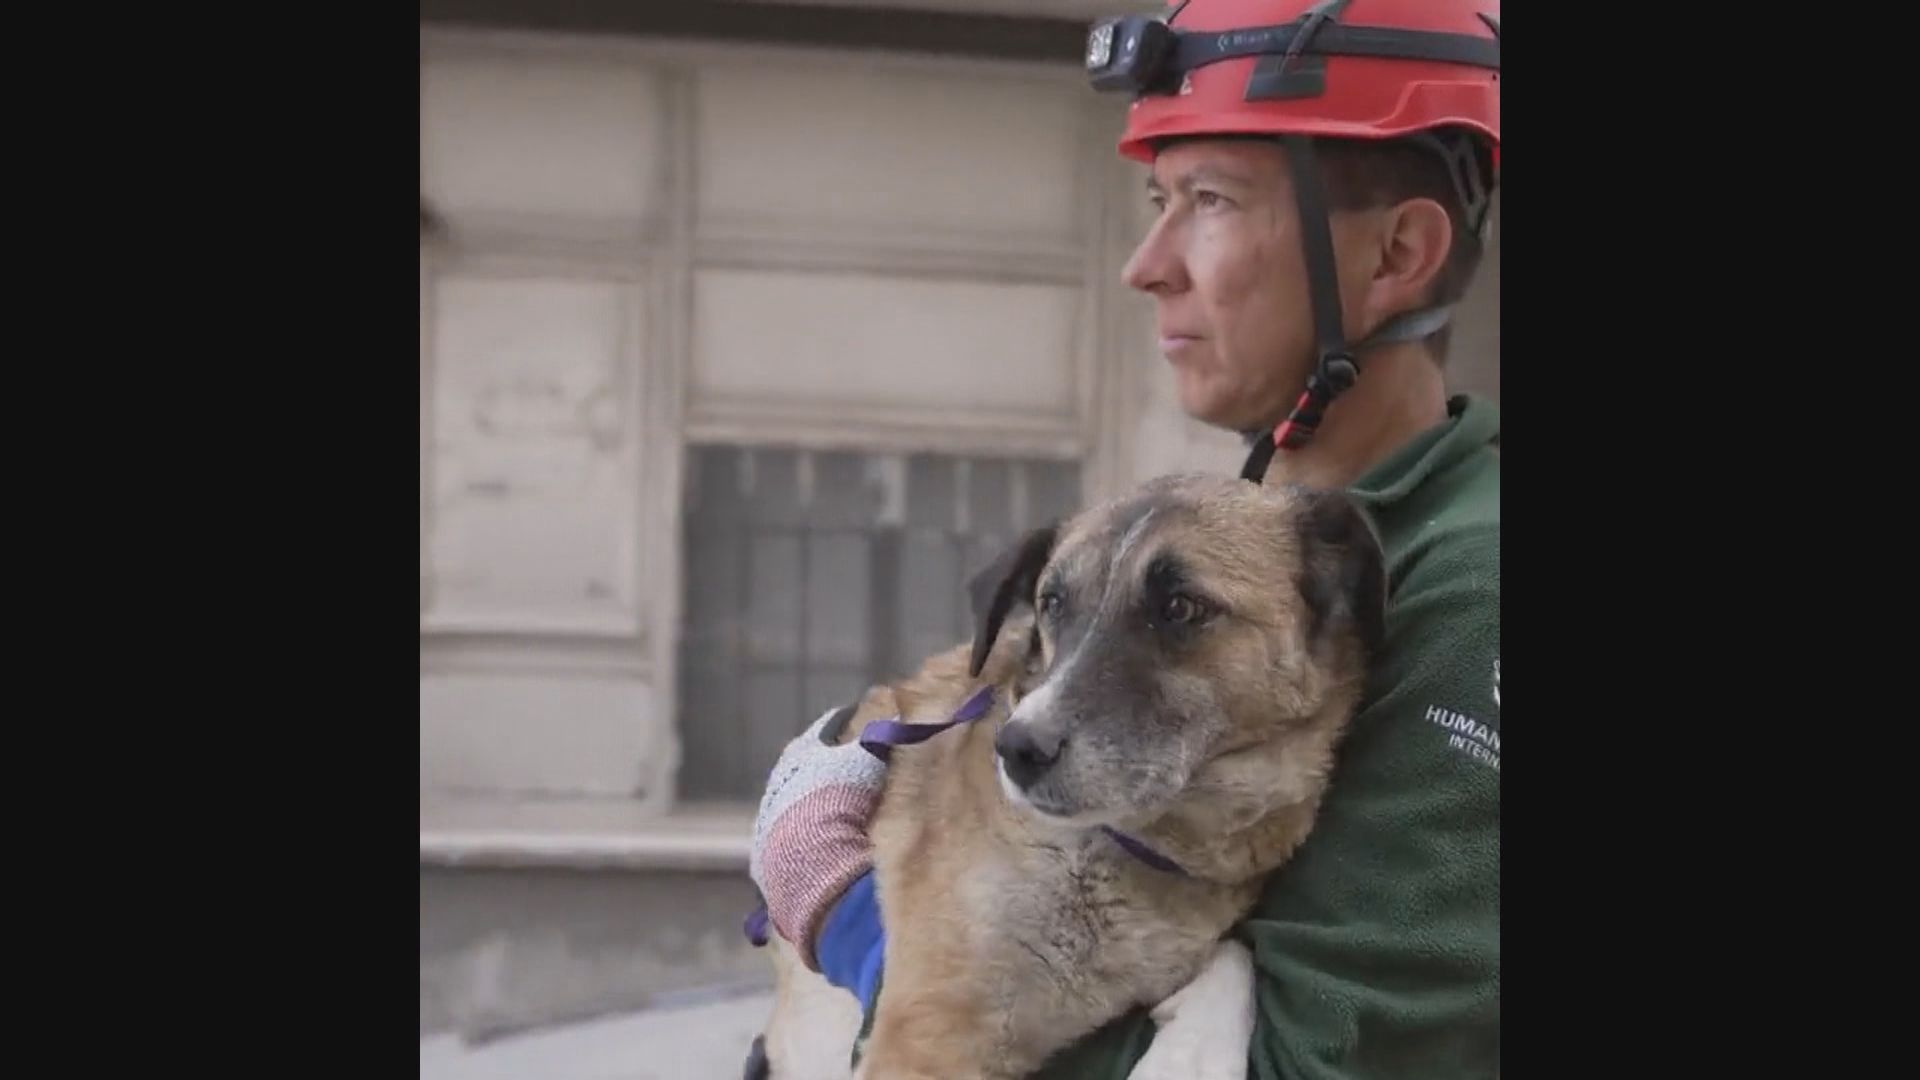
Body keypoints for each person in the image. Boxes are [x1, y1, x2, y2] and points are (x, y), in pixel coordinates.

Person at [748, 0, 1500, 1075]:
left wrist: (888, 967)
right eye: (1159, 201)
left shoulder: (1473, 587)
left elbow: (1324, 1060)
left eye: (1209, 201)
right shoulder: (1210, 526)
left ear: (1398, 252)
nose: (1145, 264)